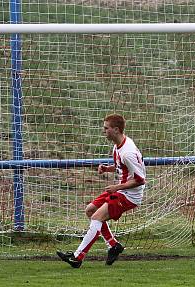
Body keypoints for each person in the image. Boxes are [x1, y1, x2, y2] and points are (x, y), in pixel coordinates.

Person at [56, 114, 146, 268]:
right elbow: (122, 168)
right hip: (120, 190)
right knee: (90, 211)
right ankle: (113, 246)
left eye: (106, 128)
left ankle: (78, 257)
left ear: (116, 130)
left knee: (97, 218)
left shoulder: (127, 152)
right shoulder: (119, 146)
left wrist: (116, 187)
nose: (103, 131)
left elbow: (140, 179)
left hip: (130, 195)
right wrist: (107, 168)